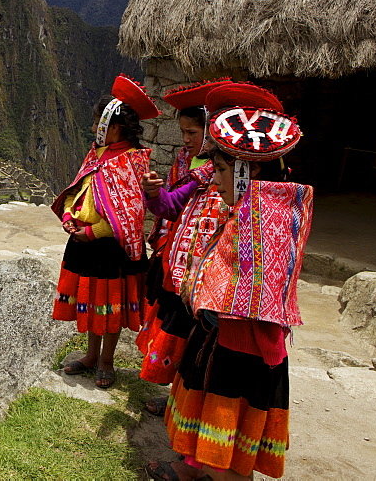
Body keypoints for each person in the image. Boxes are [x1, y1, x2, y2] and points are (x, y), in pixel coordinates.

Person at [147, 83, 311, 481]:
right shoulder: (250, 208)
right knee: (213, 436)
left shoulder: (266, 219)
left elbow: (256, 296)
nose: (215, 180)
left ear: (246, 169)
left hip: (244, 354)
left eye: (220, 170)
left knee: (230, 458)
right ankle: (189, 472)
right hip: (221, 340)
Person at [51, 75, 160, 389]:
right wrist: (71, 214)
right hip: (84, 241)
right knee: (92, 301)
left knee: (109, 307)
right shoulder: (98, 154)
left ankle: (106, 361)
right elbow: (79, 187)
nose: (92, 127)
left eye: (97, 122)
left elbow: (130, 213)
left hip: (110, 248)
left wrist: (95, 231)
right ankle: (90, 356)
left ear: (113, 127)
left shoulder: (131, 162)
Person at [136, 79, 230, 416]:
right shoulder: (185, 162)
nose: (185, 139)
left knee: (192, 338)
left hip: (203, 273)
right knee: (176, 331)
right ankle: (177, 397)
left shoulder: (217, 173)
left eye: (192, 132)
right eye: (183, 132)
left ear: (211, 132)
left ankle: (183, 401)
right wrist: (152, 193)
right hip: (176, 260)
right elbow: (170, 206)